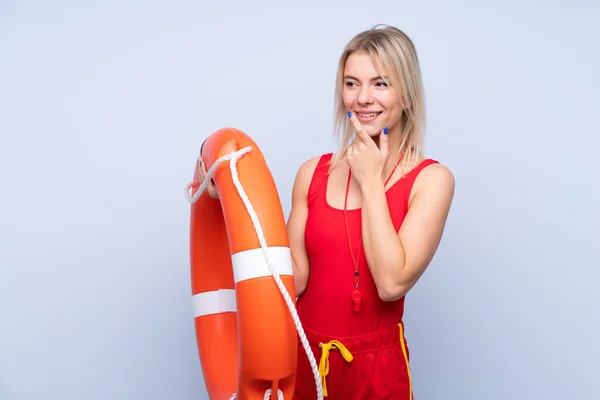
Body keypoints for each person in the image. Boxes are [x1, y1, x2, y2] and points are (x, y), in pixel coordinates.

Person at [198, 24, 455, 400]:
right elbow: (293, 282)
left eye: (381, 83)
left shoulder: (431, 180)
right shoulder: (312, 173)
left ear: (408, 95)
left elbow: (390, 283)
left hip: (376, 370)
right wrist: (231, 192)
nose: (363, 98)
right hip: (303, 358)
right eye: (352, 84)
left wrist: (369, 181)